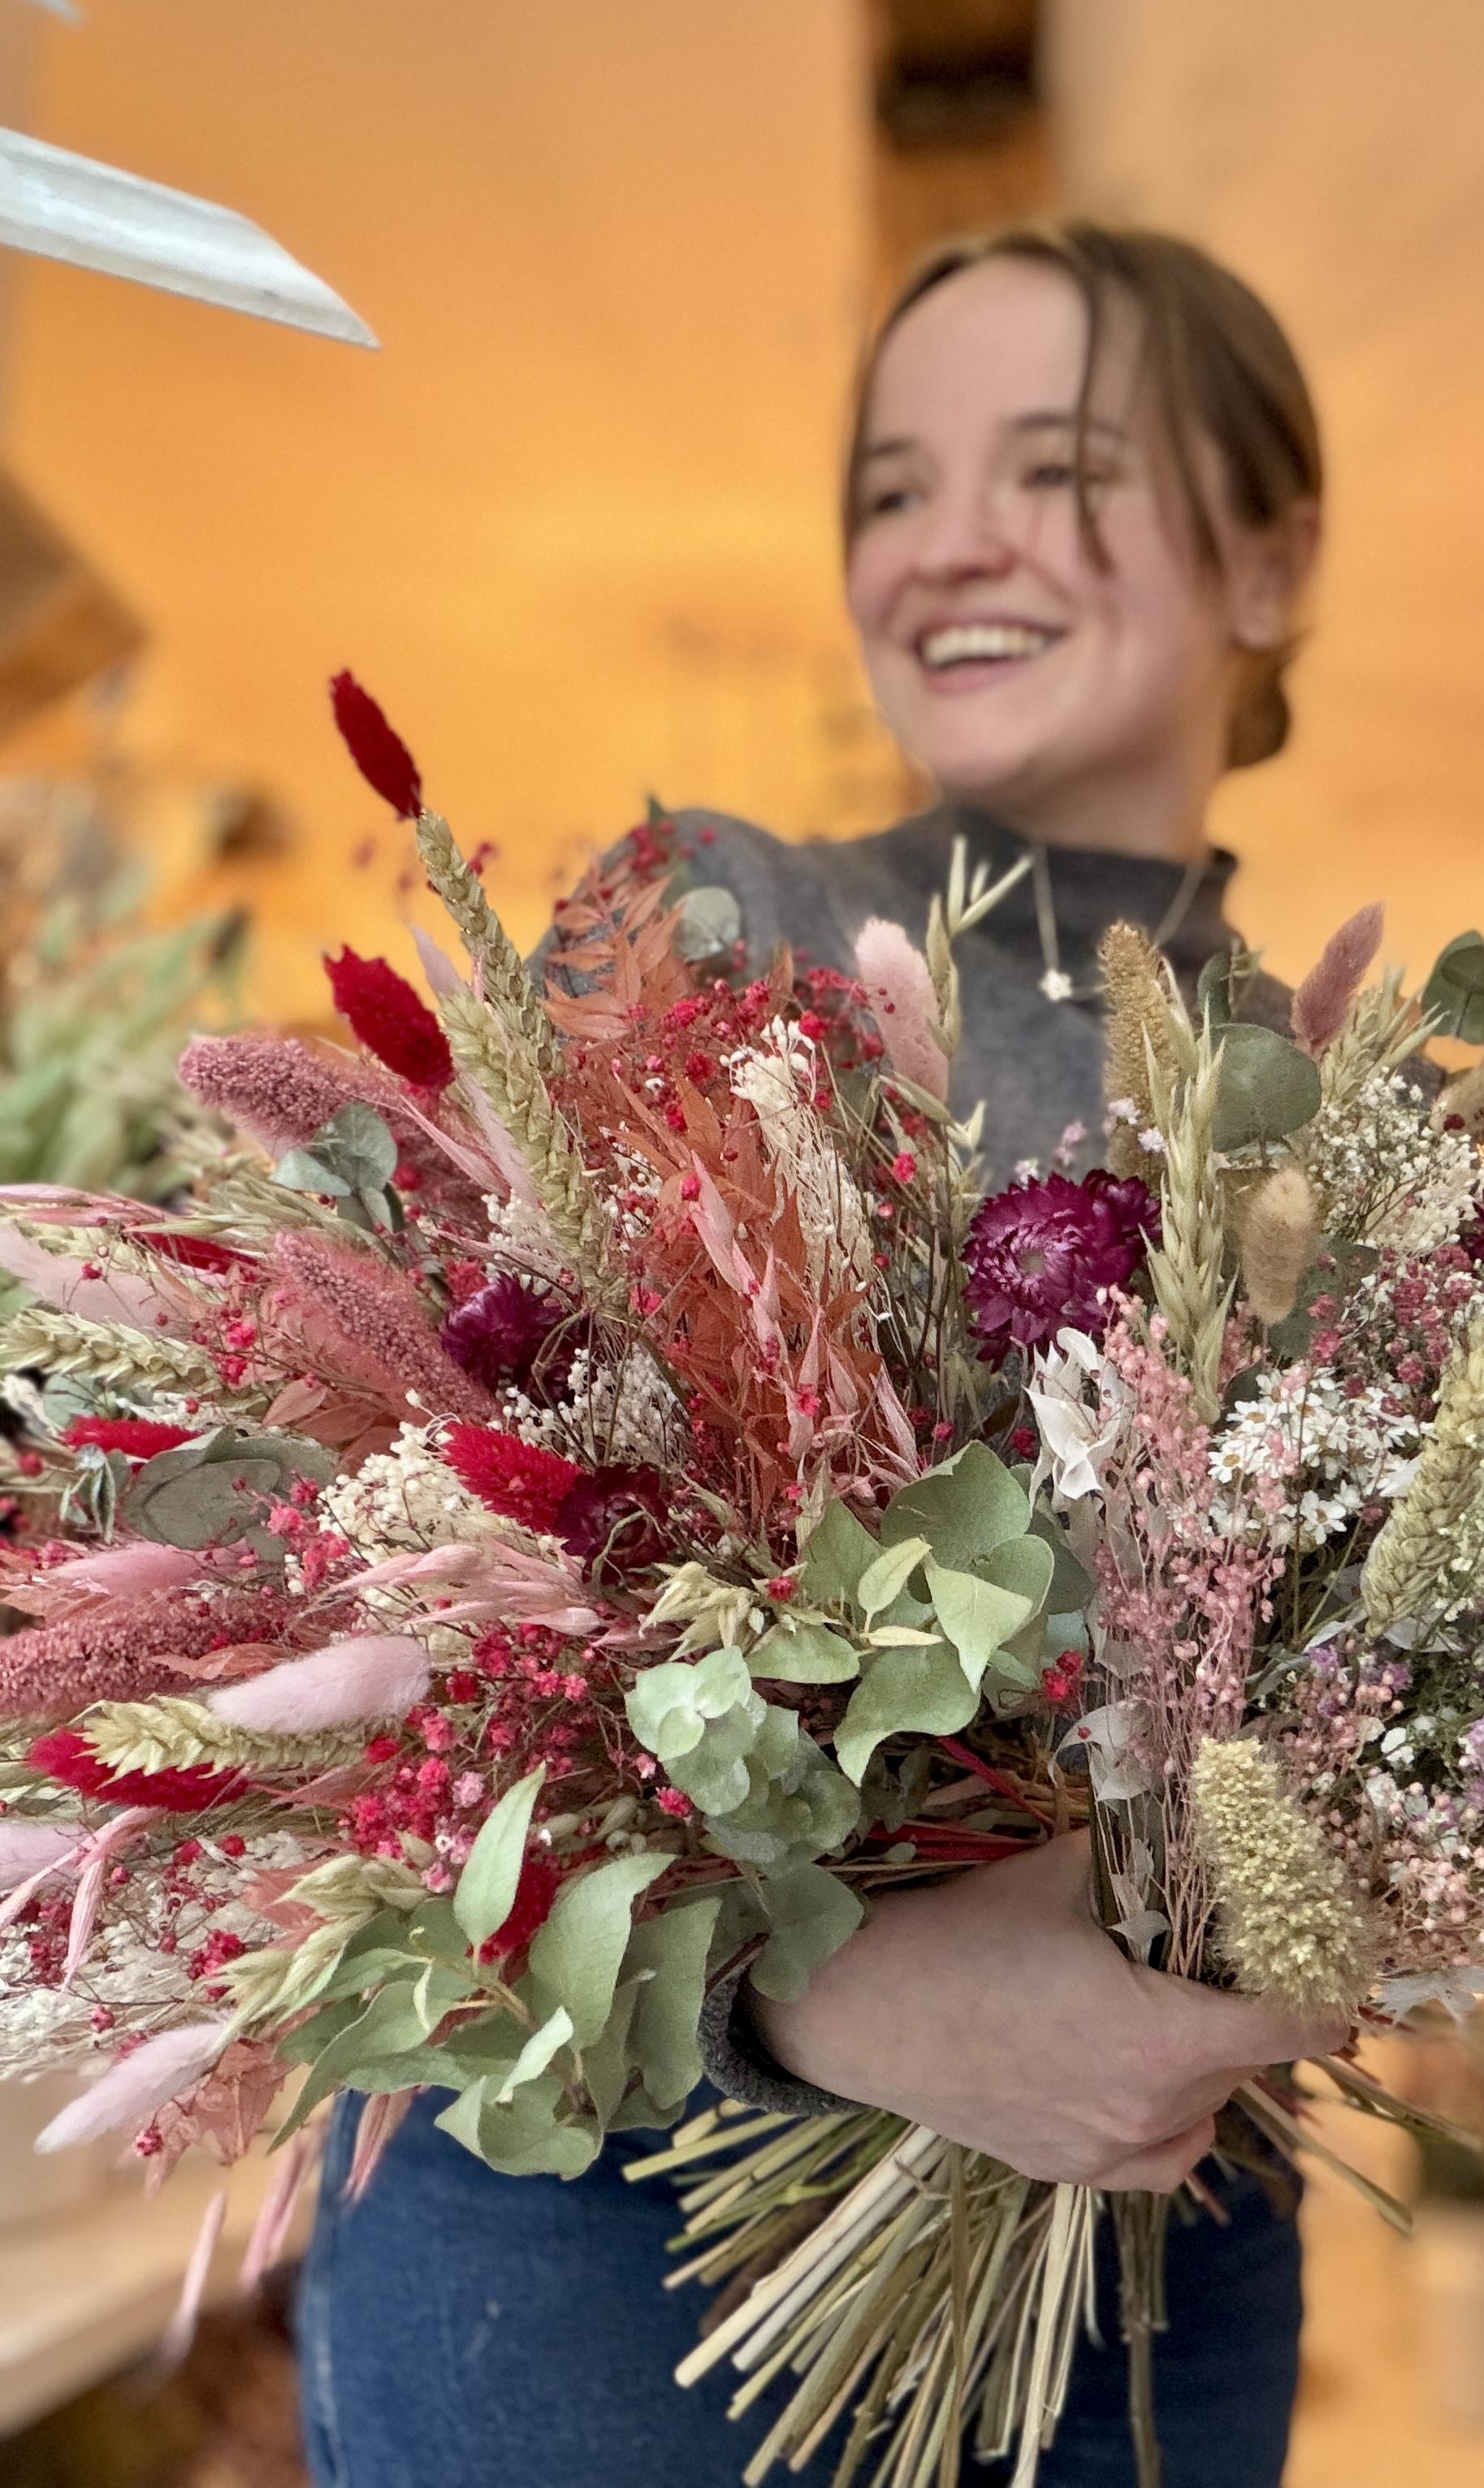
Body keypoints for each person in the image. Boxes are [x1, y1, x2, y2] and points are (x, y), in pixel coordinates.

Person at [298, 221, 1343, 2488]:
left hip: (1154, 2250)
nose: (944, 543)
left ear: (1271, 560)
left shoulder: (1362, 1127)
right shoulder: (704, 911)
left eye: (1053, 464)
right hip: (602, 2213)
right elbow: (398, 1564)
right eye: (888, 485)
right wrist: (827, 1992)